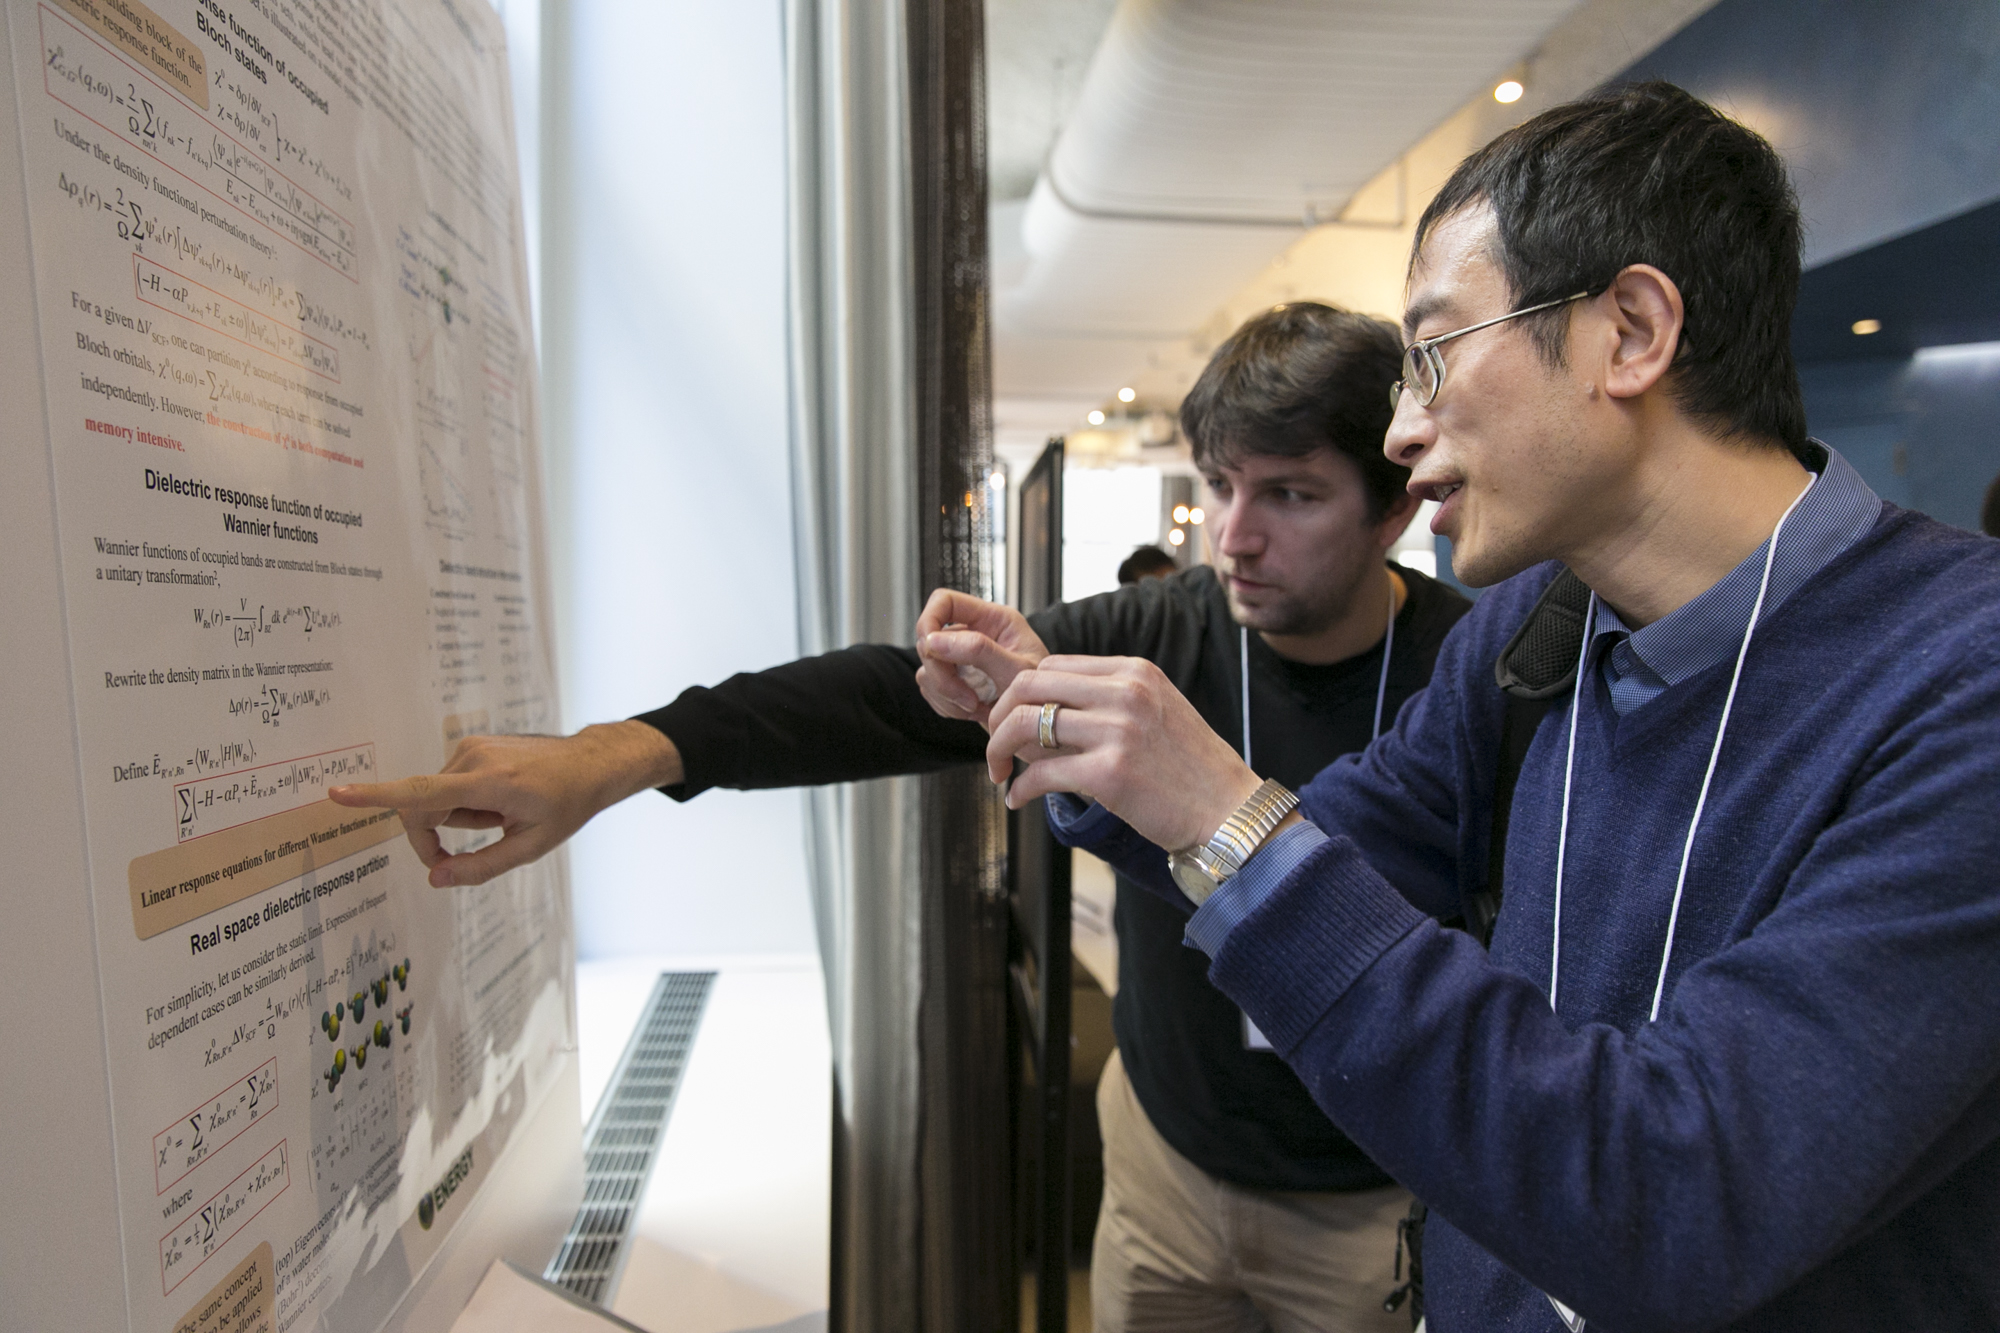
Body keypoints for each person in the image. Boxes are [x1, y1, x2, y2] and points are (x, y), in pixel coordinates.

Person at [978, 82, 2000, 1330]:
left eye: (1431, 354)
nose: (1400, 431)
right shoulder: (1533, 629)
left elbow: (1681, 1194)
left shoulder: (1959, 684)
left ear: (1629, 332)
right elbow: (1343, 850)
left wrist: (1223, 815)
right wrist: (1120, 765)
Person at [331, 302, 1472, 1332]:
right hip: (1167, 1164)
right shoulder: (1161, 630)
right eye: (1218, 485)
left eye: (1290, 495)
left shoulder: (1466, 673)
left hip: (1372, 1195)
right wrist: (611, 758)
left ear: (1392, 509)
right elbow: (881, 700)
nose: (1231, 535)